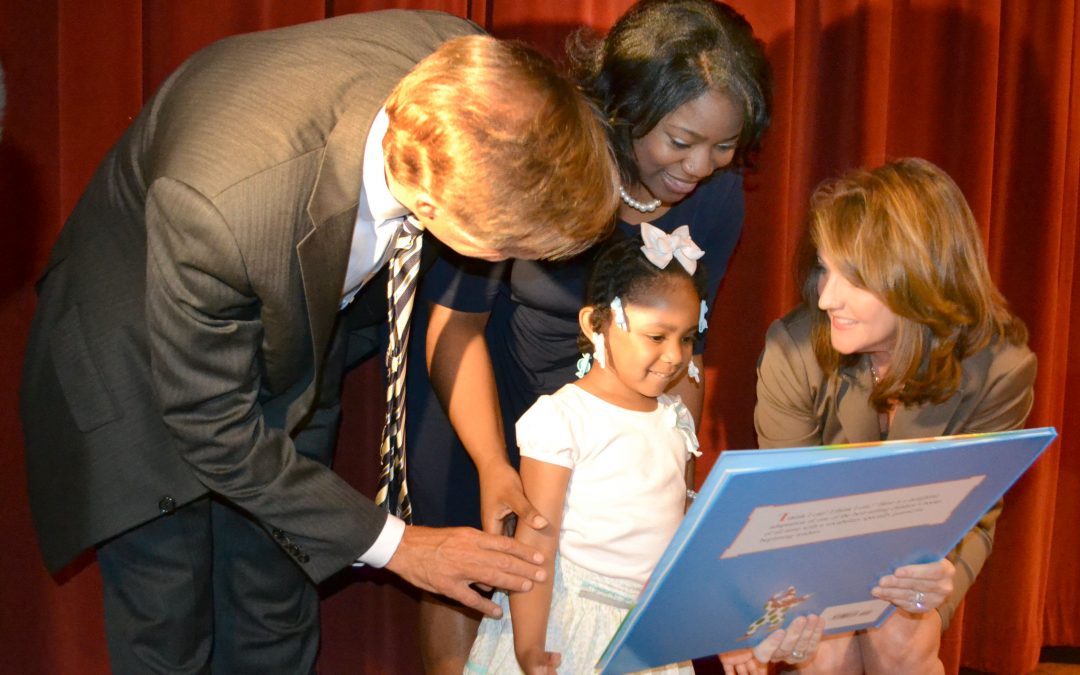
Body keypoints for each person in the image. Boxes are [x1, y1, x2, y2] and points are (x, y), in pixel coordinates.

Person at [19, 10, 617, 674]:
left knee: (276, 610)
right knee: (169, 621)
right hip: (137, 362)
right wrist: (402, 545)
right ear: (433, 207)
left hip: (289, 334)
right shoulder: (222, 205)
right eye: (508, 250)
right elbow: (214, 427)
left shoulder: (473, 71)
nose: (512, 265)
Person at [404, 1, 773, 668]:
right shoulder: (551, 150)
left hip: (616, 410)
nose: (699, 169)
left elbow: (690, 348)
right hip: (482, 382)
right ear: (629, 105)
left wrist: (678, 480)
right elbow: (455, 324)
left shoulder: (717, 199)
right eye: (680, 141)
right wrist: (494, 466)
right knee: (475, 571)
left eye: (725, 147)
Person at [464, 234, 822, 675]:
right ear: (596, 325)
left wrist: (722, 634)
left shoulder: (675, 421)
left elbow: (678, 552)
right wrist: (530, 647)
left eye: (688, 338)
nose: (674, 356)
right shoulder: (563, 418)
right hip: (571, 626)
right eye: (657, 336)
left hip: (647, 636)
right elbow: (537, 539)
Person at [754, 157, 1037, 673]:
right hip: (818, 540)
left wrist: (935, 582)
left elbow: (974, 513)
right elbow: (786, 509)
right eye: (824, 267)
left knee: (902, 640)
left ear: (919, 281)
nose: (825, 298)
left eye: (854, 280)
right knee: (823, 650)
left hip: (924, 551)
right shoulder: (792, 348)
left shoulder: (1001, 368)